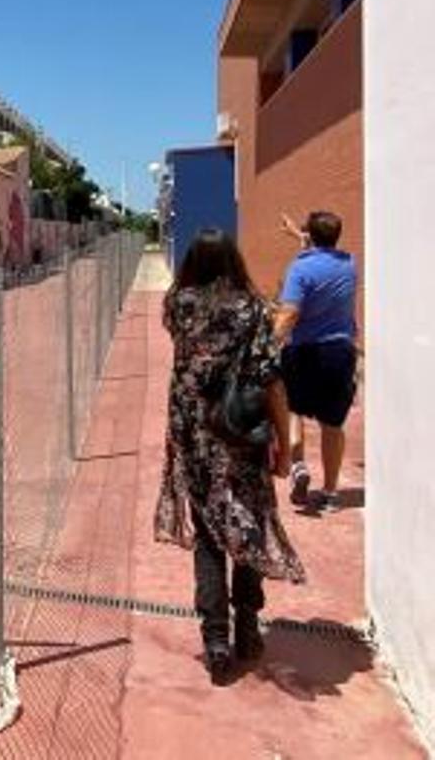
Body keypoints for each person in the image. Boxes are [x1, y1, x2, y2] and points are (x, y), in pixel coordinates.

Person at [155, 229, 305, 684]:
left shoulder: (178, 307)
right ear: (234, 262)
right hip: (241, 438)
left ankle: (215, 640)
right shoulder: (254, 310)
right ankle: (246, 629)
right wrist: (287, 445)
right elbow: (270, 379)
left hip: (194, 438)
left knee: (207, 538)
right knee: (247, 527)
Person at [274, 211, 358, 512]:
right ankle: (331, 492)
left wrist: (271, 341)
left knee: (294, 410)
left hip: (303, 351)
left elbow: (291, 312)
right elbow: (320, 251)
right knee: (332, 423)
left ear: (312, 235)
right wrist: (298, 234)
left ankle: (299, 466)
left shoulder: (300, 269)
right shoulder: (349, 263)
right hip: (340, 352)